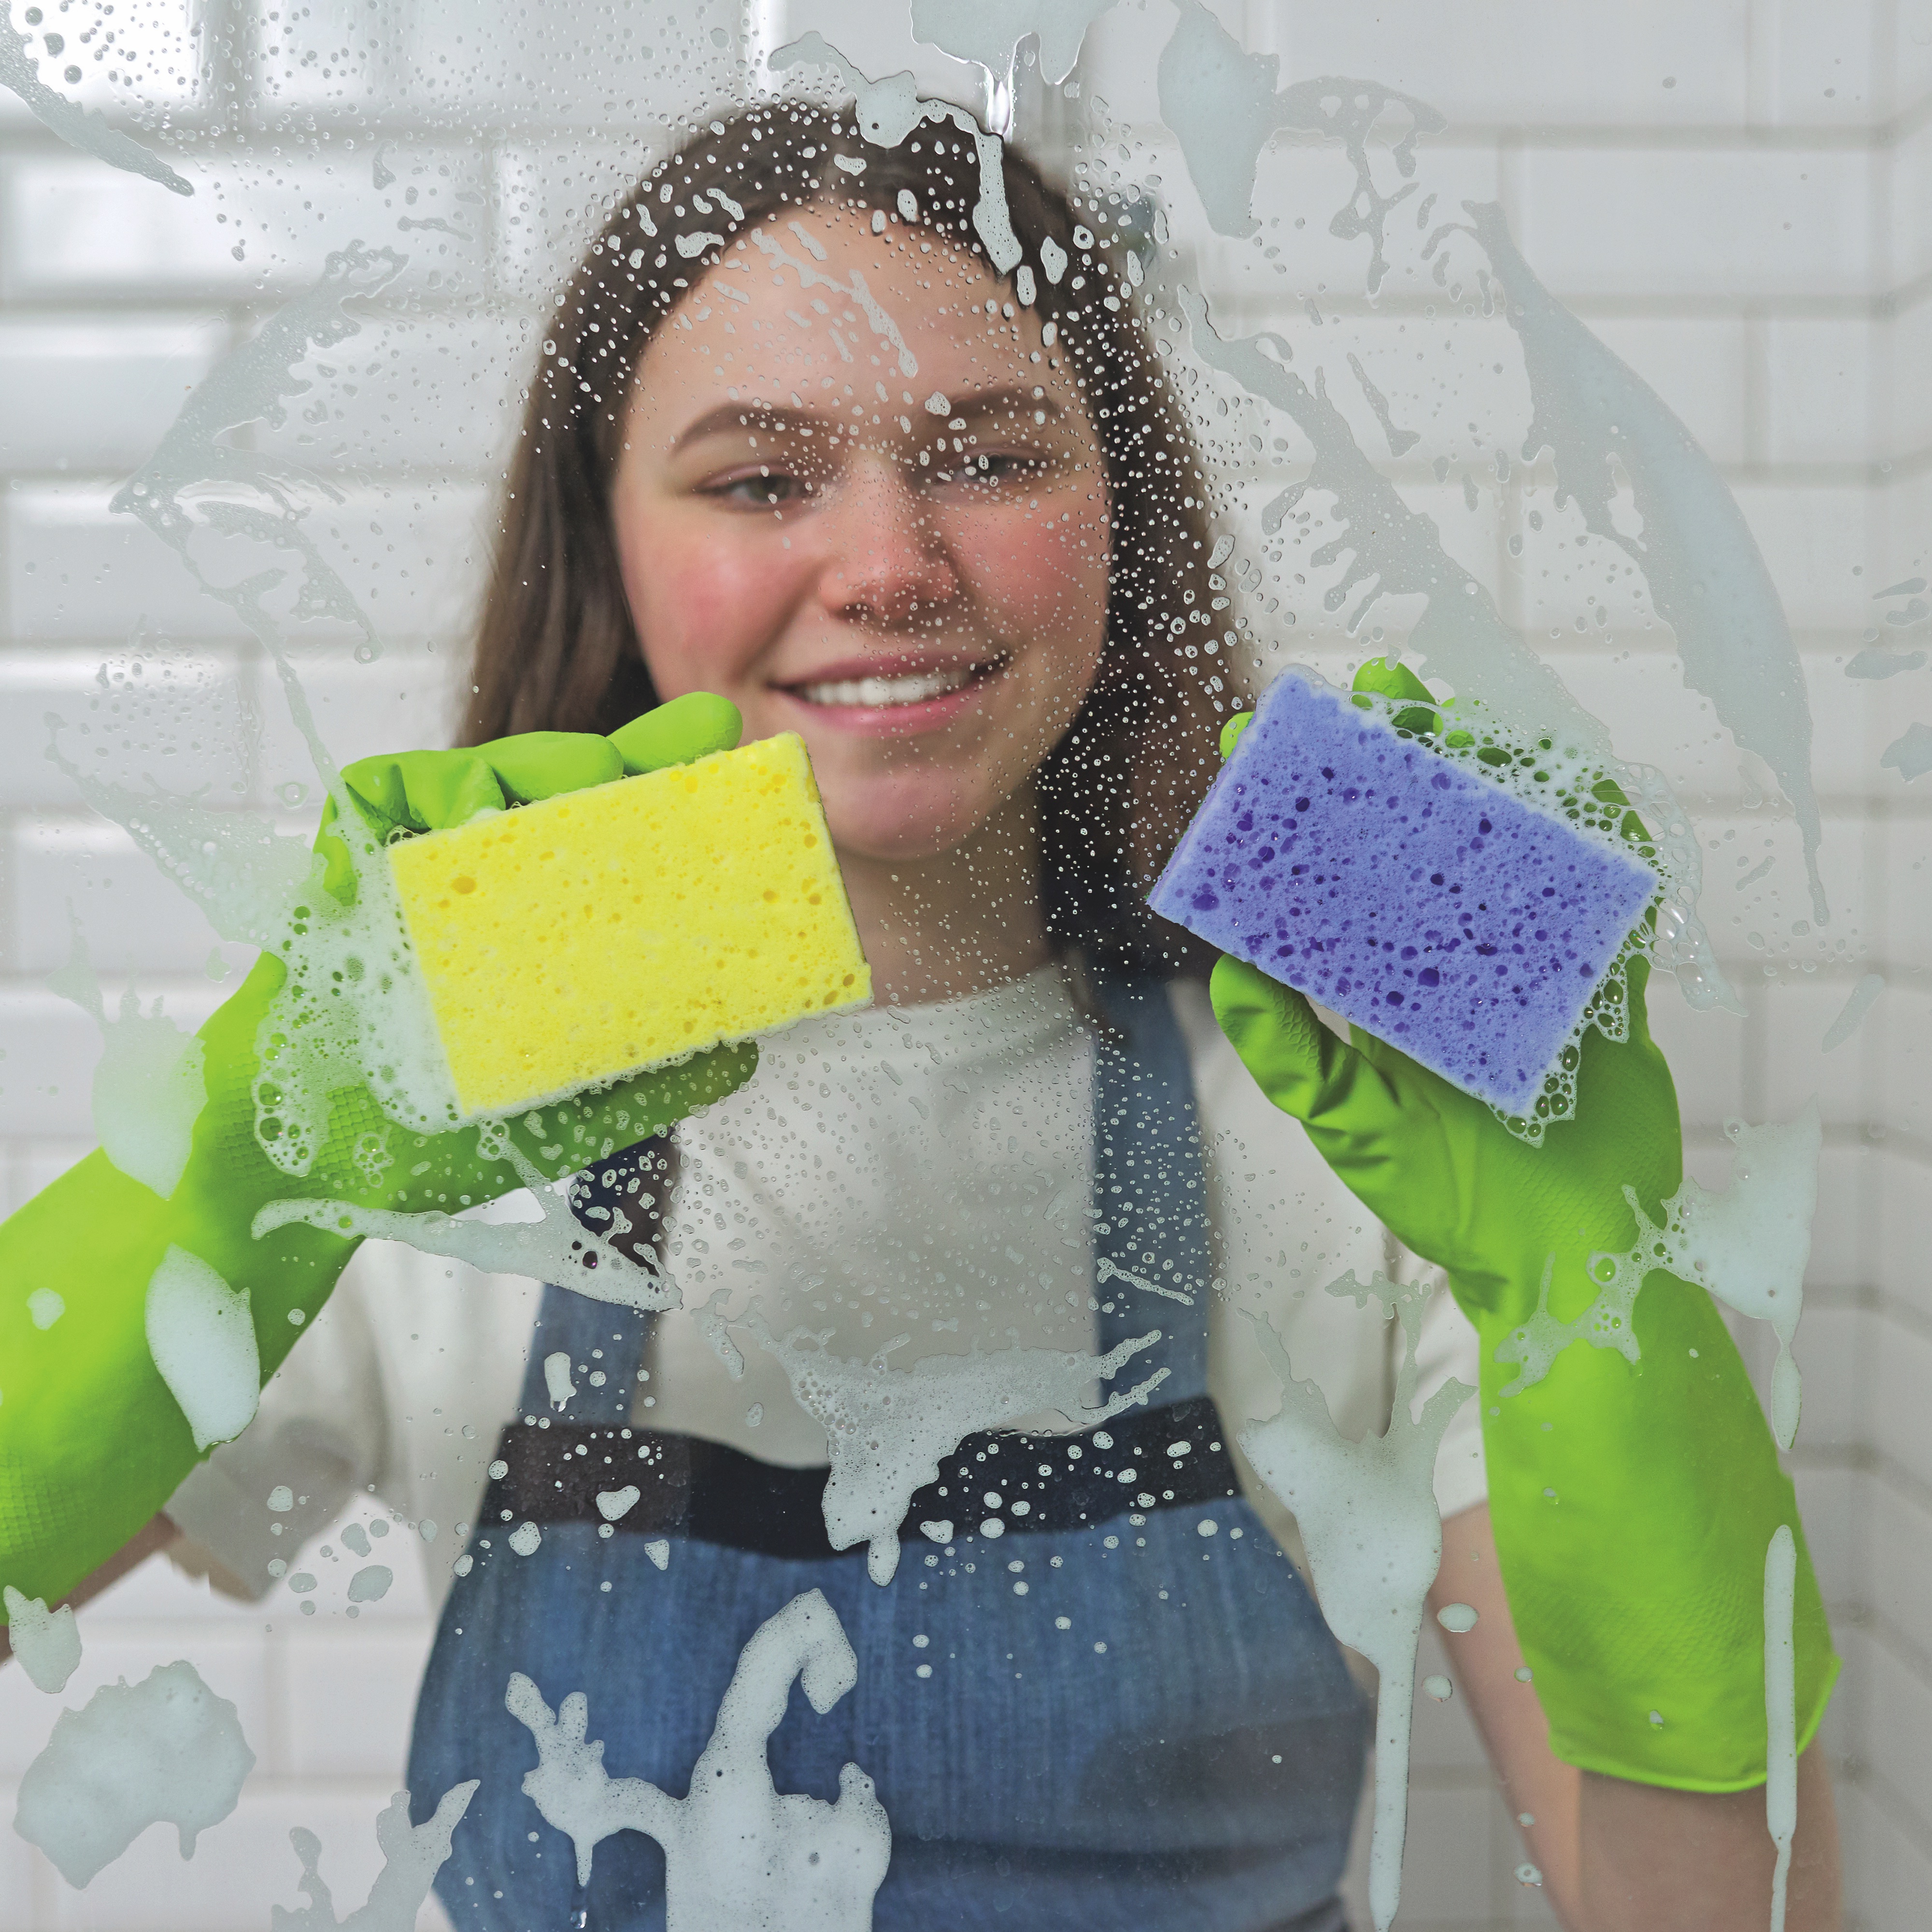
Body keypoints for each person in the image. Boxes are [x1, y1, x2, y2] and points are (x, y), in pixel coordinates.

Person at [4, 100, 1839, 1932]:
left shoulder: (1369, 1115)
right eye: (759, 476)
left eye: (989, 454)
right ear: (610, 543)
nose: (887, 562)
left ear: (1119, 511)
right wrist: (236, 1178)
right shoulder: (437, 1109)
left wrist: (1610, 1290)